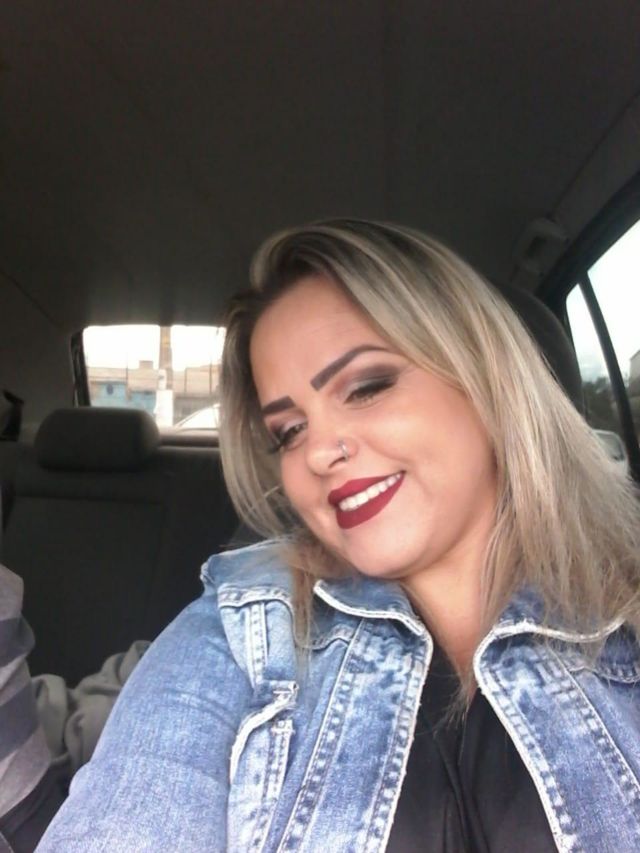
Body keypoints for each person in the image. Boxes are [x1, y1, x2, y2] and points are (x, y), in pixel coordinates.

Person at [37, 220, 640, 852]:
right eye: (289, 431)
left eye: (367, 387)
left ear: (488, 379)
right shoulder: (241, 628)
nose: (320, 451)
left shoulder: (623, 604)